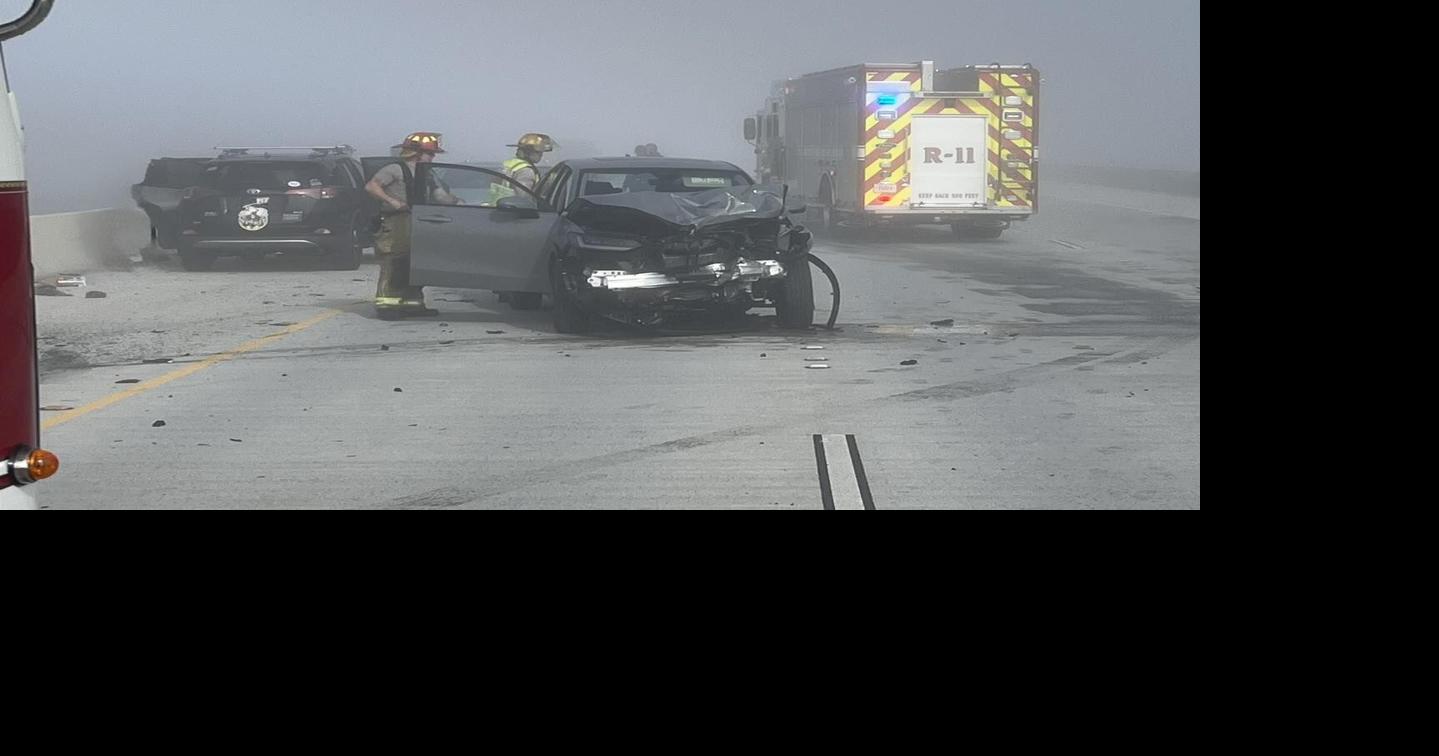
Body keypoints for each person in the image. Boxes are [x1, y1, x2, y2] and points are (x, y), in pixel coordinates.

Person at [365, 132, 456, 319]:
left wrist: (458, 203)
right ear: (415, 152)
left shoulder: (426, 173)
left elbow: (440, 196)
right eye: (430, 153)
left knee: (415, 263)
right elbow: (371, 186)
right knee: (395, 263)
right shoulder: (394, 169)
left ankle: (413, 304)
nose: (433, 157)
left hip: (417, 221)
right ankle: (387, 306)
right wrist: (393, 201)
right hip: (396, 221)